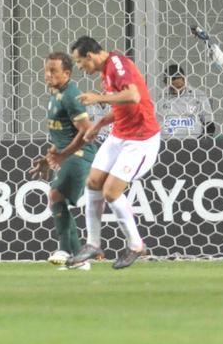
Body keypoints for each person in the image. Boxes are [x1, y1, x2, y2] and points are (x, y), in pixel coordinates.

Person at [68, 36, 161, 270]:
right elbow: (122, 106)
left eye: (79, 62)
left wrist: (97, 98)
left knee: (111, 191)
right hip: (119, 134)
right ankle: (93, 243)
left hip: (141, 140)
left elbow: (133, 96)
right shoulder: (106, 71)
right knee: (93, 181)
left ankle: (136, 245)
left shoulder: (117, 64)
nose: (79, 67)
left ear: (90, 56)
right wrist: (99, 125)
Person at [30, 52, 96, 270]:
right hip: (69, 155)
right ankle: (79, 259)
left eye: (53, 71)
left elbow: (86, 131)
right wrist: (48, 158)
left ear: (67, 73)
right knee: (58, 199)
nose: (48, 75)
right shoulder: (55, 95)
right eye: (46, 70)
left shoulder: (70, 95)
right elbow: (63, 135)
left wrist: (63, 154)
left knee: (56, 195)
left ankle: (67, 250)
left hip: (80, 156)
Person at [159, 63, 215, 138]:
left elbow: (209, 123)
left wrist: (204, 142)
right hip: (168, 143)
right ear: (166, 84)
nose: (176, 90)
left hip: (194, 143)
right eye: (172, 87)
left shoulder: (198, 95)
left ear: (184, 80)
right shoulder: (161, 99)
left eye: (179, 86)